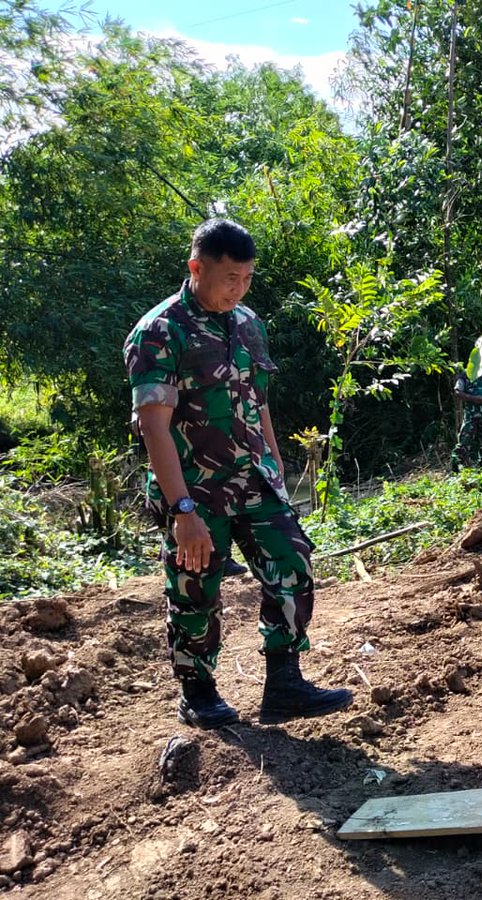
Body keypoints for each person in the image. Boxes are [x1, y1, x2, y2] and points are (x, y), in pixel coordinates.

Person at [123, 218, 353, 729]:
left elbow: (258, 402)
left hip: (254, 479)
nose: (238, 288)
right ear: (196, 268)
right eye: (230, 277)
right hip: (195, 489)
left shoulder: (248, 321)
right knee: (195, 588)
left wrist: (275, 469)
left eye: (247, 277)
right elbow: (154, 427)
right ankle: (198, 692)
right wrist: (182, 509)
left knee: (292, 562)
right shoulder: (158, 331)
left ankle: (285, 684)